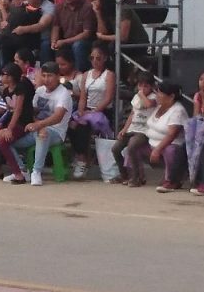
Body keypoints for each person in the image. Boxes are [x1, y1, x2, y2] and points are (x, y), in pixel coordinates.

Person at [9, 61, 73, 186]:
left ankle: (36, 172)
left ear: (58, 76)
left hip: (56, 132)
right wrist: (37, 124)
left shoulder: (64, 94)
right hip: (37, 128)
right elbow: (32, 112)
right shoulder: (40, 91)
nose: (46, 79)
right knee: (8, 140)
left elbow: (57, 117)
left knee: (43, 134)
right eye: (44, 76)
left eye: (50, 76)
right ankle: (22, 170)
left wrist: (40, 126)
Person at [69, 42, 115, 178]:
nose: (95, 61)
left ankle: (82, 160)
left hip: (102, 111)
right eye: (92, 58)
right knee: (71, 124)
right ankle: (80, 155)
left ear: (105, 58)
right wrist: (82, 112)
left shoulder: (109, 75)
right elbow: (83, 96)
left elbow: (108, 98)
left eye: (98, 58)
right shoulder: (86, 75)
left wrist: (93, 112)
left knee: (83, 125)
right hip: (87, 108)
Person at [0, 64, 35, 182]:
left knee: (2, 142)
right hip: (10, 122)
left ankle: (19, 173)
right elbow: (9, 111)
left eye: (4, 74)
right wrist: (0, 124)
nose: (1, 77)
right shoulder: (6, 91)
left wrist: (10, 129)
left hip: (22, 123)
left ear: (11, 77)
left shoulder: (20, 89)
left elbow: (18, 110)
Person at [136, 80, 189, 193]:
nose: (157, 95)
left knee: (170, 150)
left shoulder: (178, 110)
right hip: (152, 143)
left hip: (171, 146)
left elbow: (171, 135)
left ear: (171, 96)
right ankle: (137, 177)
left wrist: (157, 150)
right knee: (133, 147)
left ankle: (172, 180)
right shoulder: (159, 106)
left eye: (160, 93)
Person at [111, 71, 156, 185]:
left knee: (132, 146)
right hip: (132, 128)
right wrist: (124, 129)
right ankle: (124, 175)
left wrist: (141, 95)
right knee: (115, 148)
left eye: (146, 86)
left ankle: (136, 177)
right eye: (140, 85)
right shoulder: (136, 97)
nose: (142, 88)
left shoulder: (154, 97)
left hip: (144, 130)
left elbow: (148, 105)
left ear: (151, 86)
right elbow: (132, 114)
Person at [93, 0, 149, 72]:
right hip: (121, 42)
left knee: (113, 46)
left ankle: (122, 76)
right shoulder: (107, 11)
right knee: (97, 45)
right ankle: (103, 74)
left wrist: (102, 37)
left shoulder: (123, 9)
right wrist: (98, 13)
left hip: (137, 43)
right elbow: (103, 32)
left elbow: (123, 37)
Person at [1, 0, 54, 67]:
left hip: (43, 37)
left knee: (43, 46)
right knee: (5, 41)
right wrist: (7, 21)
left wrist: (23, 29)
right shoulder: (26, 4)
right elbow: (14, 10)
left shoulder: (48, 7)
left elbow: (41, 25)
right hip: (26, 36)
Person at [51, 0, 95, 72]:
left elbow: (86, 33)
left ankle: (80, 74)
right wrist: (53, 41)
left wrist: (64, 41)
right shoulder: (59, 7)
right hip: (65, 41)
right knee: (46, 45)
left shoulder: (87, 7)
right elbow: (56, 26)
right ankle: (51, 73)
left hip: (84, 42)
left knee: (78, 45)